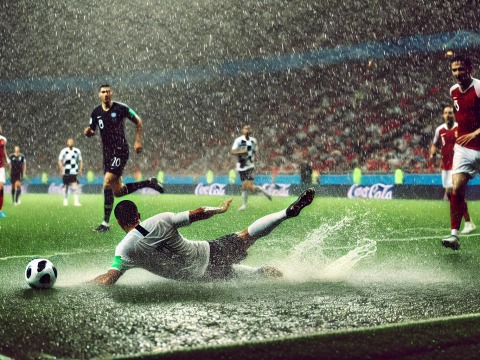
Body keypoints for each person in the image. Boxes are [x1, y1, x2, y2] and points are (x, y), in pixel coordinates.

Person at [89, 188, 315, 285]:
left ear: (119, 223)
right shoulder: (161, 218)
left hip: (204, 277)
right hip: (212, 252)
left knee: (254, 275)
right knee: (246, 235)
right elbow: (198, 213)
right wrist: (220, 209)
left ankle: (272, 274)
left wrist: (80, 284)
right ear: (138, 215)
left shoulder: (123, 250)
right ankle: (286, 212)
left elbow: (109, 278)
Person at [84, 84, 164, 232]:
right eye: (103, 92)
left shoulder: (121, 108)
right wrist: (88, 132)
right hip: (107, 154)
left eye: (108, 91)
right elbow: (91, 130)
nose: (106, 94)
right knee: (118, 191)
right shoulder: (95, 112)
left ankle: (105, 224)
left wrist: (138, 140)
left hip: (120, 150)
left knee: (107, 182)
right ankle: (149, 182)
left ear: (111, 93)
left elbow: (138, 121)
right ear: (99, 95)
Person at [442, 55, 480, 250]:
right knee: (456, 189)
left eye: (461, 70)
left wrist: (475, 133)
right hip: (464, 149)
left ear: (470, 69)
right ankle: (454, 235)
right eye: (454, 70)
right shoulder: (453, 91)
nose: (457, 74)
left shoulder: (478, 87)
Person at [430, 106, 475, 234]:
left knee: (454, 191)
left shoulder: (459, 128)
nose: (448, 115)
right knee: (452, 195)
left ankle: (466, 223)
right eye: (445, 113)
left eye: (450, 113)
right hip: (445, 166)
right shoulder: (440, 130)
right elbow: (434, 144)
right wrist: (432, 154)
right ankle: (468, 221)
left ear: (454, 114)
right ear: (443, 116)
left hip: (458, 165)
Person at [229, 124, 272, 211]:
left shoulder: (253, 140)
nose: (247, 130)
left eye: (248, 129)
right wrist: (242, 152)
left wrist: (251, 157)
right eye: (245, 129)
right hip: (241, 166)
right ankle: (247, 202)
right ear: (242, 130)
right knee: (246, 187)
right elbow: (232, 151)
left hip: (249, 166)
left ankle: (246, 203)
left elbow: (255, 151)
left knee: (247, 186)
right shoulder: (239, 140)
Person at [58, 138, 83, 207]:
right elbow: (59, 160)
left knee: (75, 186)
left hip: (74, 171)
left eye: (72, 141)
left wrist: (80, 168)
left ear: (73, 143)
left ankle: (76, 201)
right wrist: (61, 168)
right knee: (66, 186)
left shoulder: (77, 151)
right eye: (69, 141)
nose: (71, 143)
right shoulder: (64, 151)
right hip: (66, 171)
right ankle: (65, 199)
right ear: (67, 143)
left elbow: (80, 160)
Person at [0, 125, 9, 218]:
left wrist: (7, 159)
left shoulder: (3, 139)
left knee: (1, 187)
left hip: (1, 167)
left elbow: (4, 150)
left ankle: (0, 210)